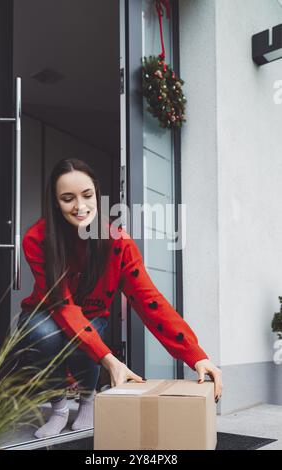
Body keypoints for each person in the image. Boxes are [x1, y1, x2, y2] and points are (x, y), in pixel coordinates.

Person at [18, 157, 223, 439]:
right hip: (48, 312)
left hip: (91, 314)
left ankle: (87, 401)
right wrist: (110, 361)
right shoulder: (37, 238)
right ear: (55, 202)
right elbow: (62, 305)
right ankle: (60, 409)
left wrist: (196, 355)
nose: (80, 207)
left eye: (87, 195)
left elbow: (149, 300)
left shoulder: (118, 242)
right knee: (46, 333)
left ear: (97, 195)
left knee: (87, 336)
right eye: (67, 198)